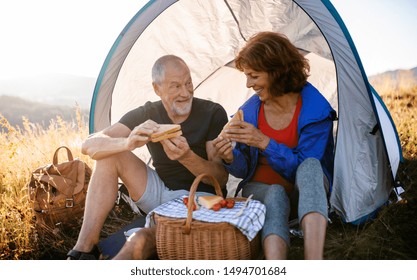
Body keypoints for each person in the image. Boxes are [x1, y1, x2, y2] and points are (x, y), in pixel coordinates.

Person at [67, 55, 229, 260]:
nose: (185, 92)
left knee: (142, 240)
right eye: (175, 86)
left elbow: (221, 178)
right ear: (157, 89)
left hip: (201, 199)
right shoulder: (148, 113)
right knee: (109, 155)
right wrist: (127, 142)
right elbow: (89, 145)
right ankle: (85, 249)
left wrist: (187, 157)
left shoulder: (212, 113)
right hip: (160, 191)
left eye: (188, 83)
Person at [213, 31, 336, 260]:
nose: (248, 84)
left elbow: (306, 170)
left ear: (276, 72)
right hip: (260, 192)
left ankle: (314, 262)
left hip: (304, 194)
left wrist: (264, 142)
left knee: (310, 167)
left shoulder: (315, 111)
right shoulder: (250, 110)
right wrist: (230, 157)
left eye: (253, 76)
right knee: (275, 193)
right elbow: (242, 170)